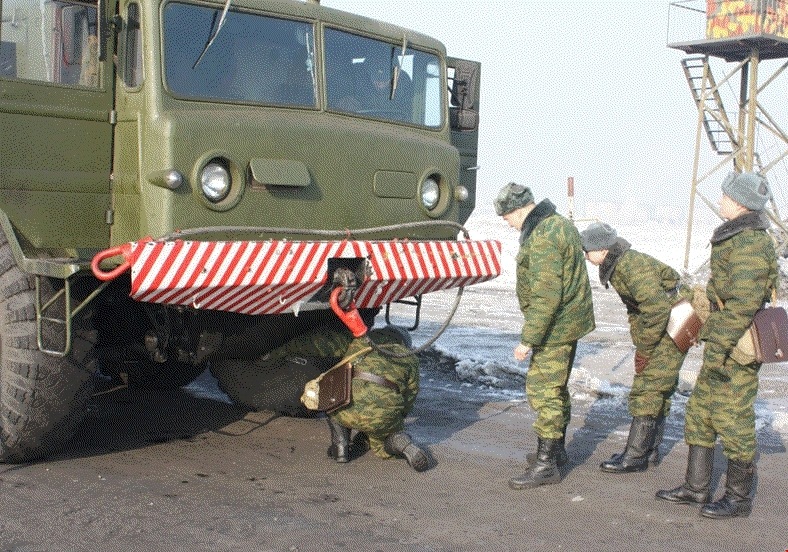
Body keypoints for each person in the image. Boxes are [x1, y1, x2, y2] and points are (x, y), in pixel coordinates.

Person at [656, 171, 777, 519]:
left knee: (733, 418)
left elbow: (741, 304)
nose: (720, 200)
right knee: (700, 414)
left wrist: (720, 348)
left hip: (735, 347)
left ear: (739, 203)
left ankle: (738, 499)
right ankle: (696, 489)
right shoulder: (735, 237)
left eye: (725, 196)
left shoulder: (751, 243)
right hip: (720, 341)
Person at [494, 182, 596, 490]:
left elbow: (546, 296)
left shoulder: (543, 237)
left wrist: (528, 340)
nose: (507, 224)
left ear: (521, 209)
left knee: (544, 390)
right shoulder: (557, 224)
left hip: (555, 326)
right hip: (568, 321)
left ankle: (546, 465)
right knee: (557, 387)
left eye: (507, 217)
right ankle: (557, 452)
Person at [580, 222, 691, 473]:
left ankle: (636, 456)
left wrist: (646, 349)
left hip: (672, 323)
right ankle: (648, 450)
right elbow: (636, 310)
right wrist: (640, 341)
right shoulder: (619, 265)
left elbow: (656, 309)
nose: (585, 256)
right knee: (657, 387)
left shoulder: (630, 266)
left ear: (602, 249)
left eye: (587, 250)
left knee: (648, 387)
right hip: (664, 324)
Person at [320, 325, 429, 472]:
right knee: (381, 445)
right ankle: (398, 442)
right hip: (381, 417)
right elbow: (411, 394)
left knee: (335, 408)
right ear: (403, 343)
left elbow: (341, 373)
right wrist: (399, 418)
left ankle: (340, 447)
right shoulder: (409, 357)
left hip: (345, 410)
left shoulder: (358, 343)